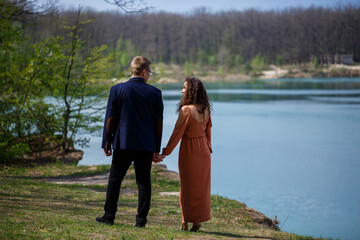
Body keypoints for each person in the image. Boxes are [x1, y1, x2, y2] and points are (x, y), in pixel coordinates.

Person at [95, 56, 163, 228]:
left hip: (123, 142)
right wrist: (156, 148)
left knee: (115, 179)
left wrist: (107, 142)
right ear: (144, 71)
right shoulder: (155, 93)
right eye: (150, 72)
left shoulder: (117, 89)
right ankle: (140, 222)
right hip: (145, 145)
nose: (150, 75)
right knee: (143, 182)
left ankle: (109, 216)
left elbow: (110, 118)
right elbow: (158, 124)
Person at [157, 77, 212, 232]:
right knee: (201, 187)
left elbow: (177, 134)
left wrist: (164, 154)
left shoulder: (186, 110)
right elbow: (208, 131)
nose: (181, 91)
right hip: (204, 151)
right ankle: (197, 221)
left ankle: (185, 220)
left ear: (192, 91)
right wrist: (208, 148)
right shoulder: (205, 108)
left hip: (190, 149)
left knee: (187, 186)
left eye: (184, 88)